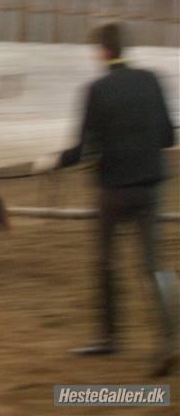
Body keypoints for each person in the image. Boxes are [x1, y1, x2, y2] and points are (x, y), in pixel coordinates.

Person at [33, 22, 177, 377]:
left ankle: (109, 338)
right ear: (124, 49)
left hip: (113, 189)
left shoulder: (96, 89)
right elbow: (166, 135)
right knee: (153, 265)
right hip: (149, 185)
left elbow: (83, 150)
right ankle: (170, 339)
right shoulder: (151, 80)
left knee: (106, 264)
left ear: (102, 52)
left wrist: (52, 161)